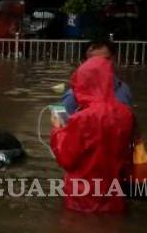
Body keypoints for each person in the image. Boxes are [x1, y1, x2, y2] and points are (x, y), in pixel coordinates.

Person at [50, 56, 135, 214]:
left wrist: (57, 129)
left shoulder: (82, 118)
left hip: (82, 197)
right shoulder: (126, 114)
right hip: (114, 195)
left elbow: (66, 158)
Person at [61, 41, 134, 115]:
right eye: (94, 60)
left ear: (113, 59)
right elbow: (65, 124)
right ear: (84, 64)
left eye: (106, 59)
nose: (101, 64)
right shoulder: (73, 96)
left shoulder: (123, 89)